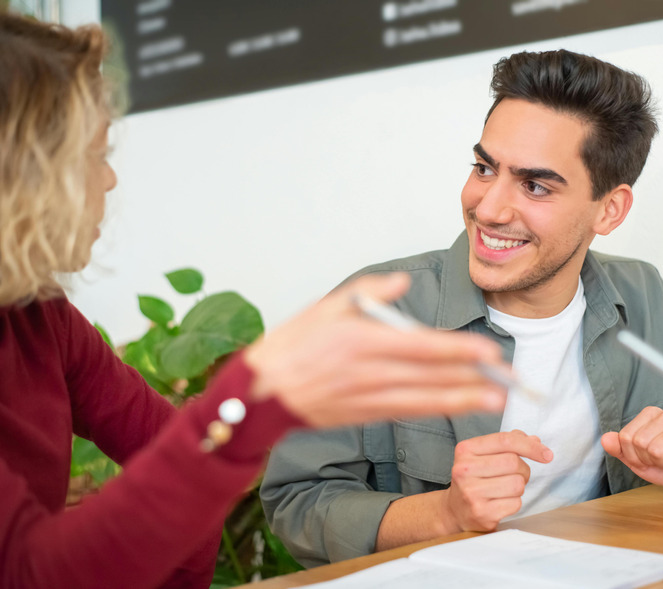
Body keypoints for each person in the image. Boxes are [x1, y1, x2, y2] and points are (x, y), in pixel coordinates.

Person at [0, 11, 510, 589]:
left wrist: (272, 404)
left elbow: (177, 457)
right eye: (94, 155)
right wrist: (250, 396)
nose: (110, 180)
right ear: (24, 174)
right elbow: (31, 572)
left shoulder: (41, 320)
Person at [260, 48, 663, 567]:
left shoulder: (648, 298)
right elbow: (296, 503)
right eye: (484, 168)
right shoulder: (371, 312)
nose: (488, 208)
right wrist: (445, 513)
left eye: (534, 185)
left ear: (609, 210)